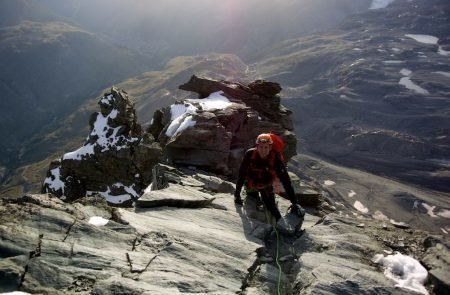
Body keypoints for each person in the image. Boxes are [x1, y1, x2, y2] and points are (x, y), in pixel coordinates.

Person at [234, 133, 305, 221]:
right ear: (257, 146)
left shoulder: (276, 159)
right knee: (252, 196)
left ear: (270, 148)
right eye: (261, 147)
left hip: (266, 185)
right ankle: (254, 195)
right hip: (251, 183)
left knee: (272, 209)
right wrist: (237, 195)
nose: (263, 150)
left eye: (266, 147)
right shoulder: (249, 154)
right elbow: (242, 174)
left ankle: (279, 223)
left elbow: (286, 181)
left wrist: (295, 203)